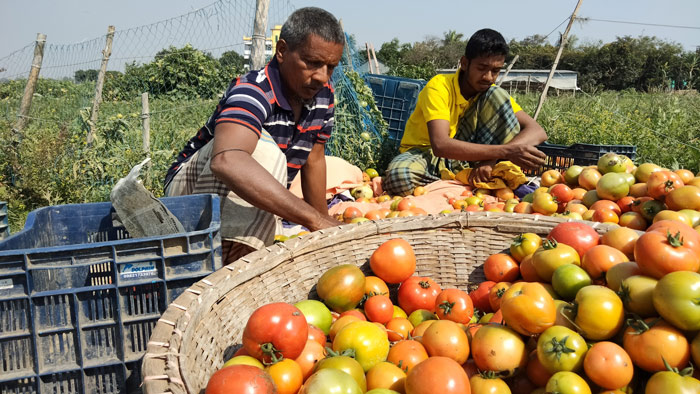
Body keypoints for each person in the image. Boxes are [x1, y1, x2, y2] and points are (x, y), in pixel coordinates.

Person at [164, 7, 344, 263]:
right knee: (263, 150)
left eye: (331, 67)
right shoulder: (253, 90)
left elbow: (314, 159)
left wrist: (325, 228)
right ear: (281, 51)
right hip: (186, 197)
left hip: (243, 202)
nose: (321, 76)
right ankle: (224, 268)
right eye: (313, 63)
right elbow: (227, 160)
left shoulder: (322, 96)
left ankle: (240, 264)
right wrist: (313, 219)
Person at [383, 28, 548, 197]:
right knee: (399, 178)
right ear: (464, 63)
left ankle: (461, 181)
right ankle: (463, 183)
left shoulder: (490, 93)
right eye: (482, 68)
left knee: (497, 94)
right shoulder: (439, 87)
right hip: (427, 154)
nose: (488, 77)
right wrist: (505, 152)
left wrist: (490, 160)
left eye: (496, 71)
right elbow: (440, 145)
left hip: (472, 157)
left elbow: (537, 131)